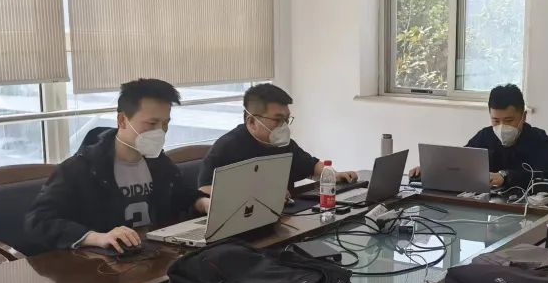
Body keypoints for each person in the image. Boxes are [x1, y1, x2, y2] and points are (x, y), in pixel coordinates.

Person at [25, 79, 211, 253]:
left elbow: (181, 195)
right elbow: (38, 221)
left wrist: (202, 203)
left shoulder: (158, 161)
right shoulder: (80, 168)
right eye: (152, 123)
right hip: (105, 262)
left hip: (154, 254)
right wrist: (97, 237)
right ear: (122, 120)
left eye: (165, 123)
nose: (160, 131)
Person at [198, 83, 357, 195]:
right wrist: (258, 195)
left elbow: (312, 165)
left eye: (286, 119)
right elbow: (204, 189)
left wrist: (334, 175)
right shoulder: (227, 147)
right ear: (252, 122)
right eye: (278, 119)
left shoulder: (283, 144)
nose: (284, 126)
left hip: (284, 216)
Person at [410, 84, 548, 189]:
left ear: (523, 116)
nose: (502, 126)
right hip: (487, 204)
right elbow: (460, 161)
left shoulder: (540, 140)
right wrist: (432, 169)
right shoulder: (485, 136)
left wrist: (505, 176)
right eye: (496, 120)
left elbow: (545, 177)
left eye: (509, 120)